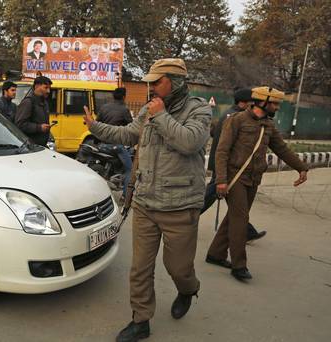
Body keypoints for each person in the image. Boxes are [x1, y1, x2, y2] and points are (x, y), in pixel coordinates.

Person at [84, 58, 211, 342]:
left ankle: (188, 288)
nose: (150, 87)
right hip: (145, 202)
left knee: (178, 267)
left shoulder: (198, 109)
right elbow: (128, 134)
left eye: (157, 82)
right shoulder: (150, 109)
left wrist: (162, 115)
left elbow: (190, 142)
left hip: (180, 206)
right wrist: (95, 127)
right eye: (149, 82)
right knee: (140, 267)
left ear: (175, 82)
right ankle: (141, 320)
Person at [207, 86, 308, 281]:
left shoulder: (268, 125)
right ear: (262, 101)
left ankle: (215, 254)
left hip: (253, 180)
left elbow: (282, 149)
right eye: (275, 103)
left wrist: (301, 167)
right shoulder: (236, 120)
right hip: (234, 178)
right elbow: (221, 151)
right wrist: (221, 180)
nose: (277, 107)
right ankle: (239, 266)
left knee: (234, 218)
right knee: (240, 219)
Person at [201, 87, 266, 242]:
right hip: (225, 164)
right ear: (244, 102)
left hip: (224, 164)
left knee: (235, 202)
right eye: (252, 102)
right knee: (214, 195)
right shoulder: (235, 116)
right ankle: (188, 218)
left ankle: (247, 231)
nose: (254, 105)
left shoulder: (230, 113)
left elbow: (214, 132)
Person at [96, 87, 133, 195]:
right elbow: (131, 127)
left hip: (101, 144)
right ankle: (126, 196)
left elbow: (97, 124)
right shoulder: (124, 109)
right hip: (115, 146)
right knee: (130, 170)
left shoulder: (104, 107)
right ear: (123, 97)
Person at [15, 76, 52, 146]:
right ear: (37, 86)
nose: (48, 91)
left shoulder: (45, 103)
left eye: (49, 88)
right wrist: (39, 127)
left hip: (41, 146)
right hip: (29, 147)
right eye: (46, 88)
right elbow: (20, 125)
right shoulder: (28, 102)